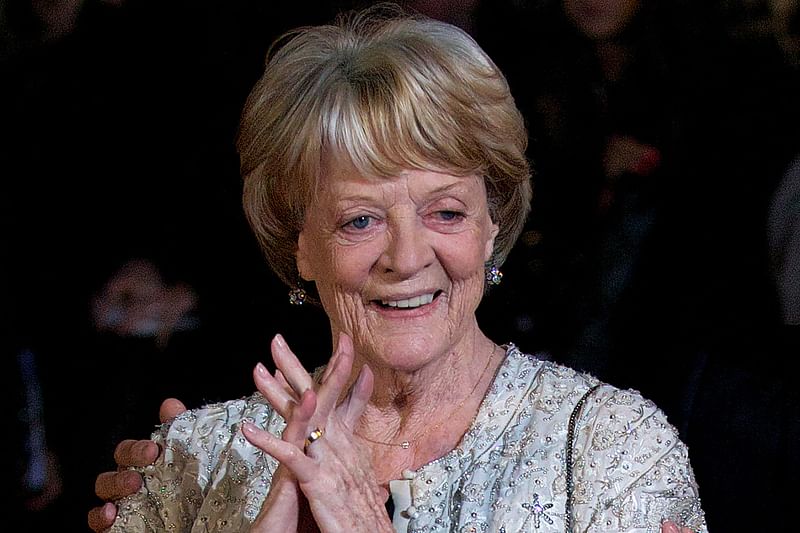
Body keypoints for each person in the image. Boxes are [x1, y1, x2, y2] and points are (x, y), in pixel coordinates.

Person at [87, 4, 705, 532]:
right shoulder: (194, 462)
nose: (407, 257)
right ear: (300, 243)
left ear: (493, 224)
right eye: (360, 220)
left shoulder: (612, 451)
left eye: (445, 212)